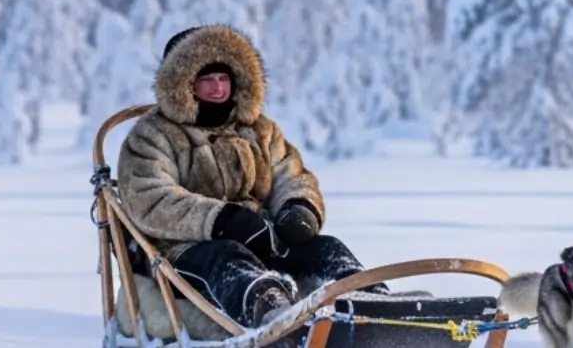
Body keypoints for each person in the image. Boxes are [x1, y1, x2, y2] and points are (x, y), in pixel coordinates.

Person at [118, 24, 391, 329]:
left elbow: (292, 175)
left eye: (224, 78)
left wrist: (298, 209)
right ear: (184, 84)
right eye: (206, 80)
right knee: (227, 256)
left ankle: (376, 305)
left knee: (325, 248)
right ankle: (275, 316)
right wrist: (222, 221)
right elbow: (150, 198)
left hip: (265, 239)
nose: (218, 88)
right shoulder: (152, 135)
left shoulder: (261, 130)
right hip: (183, 251)